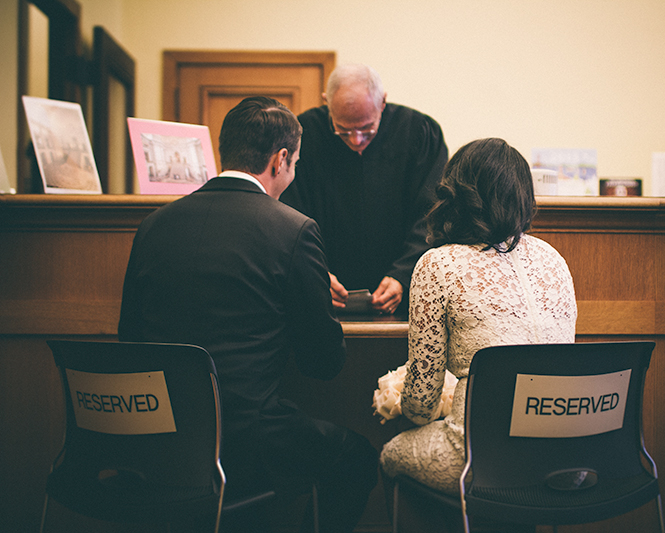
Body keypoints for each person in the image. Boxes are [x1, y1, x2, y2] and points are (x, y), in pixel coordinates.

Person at [118, 96, 378, 533]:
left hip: (153, 437)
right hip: (244, 442)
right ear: (280, 160)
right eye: (294, 163)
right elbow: (323, 364)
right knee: (356, 459)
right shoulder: (293, 229)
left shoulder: (155, 224)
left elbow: (130, 338)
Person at [380, 138, 578, 497]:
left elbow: (421, 406)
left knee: (391, 453)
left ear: (455, 195)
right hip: (565, 458)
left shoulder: (437, 264)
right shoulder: (555, 261)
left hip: (479, 457)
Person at [280, 63, 448, 316]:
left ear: (382, 102)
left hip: (404, 298)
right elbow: (288, 217)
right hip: (322, 299)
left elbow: (431, 214)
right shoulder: (303, 135)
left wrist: (403, 275)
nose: (356, 140)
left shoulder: (420, 132)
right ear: (327, 102)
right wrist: (314, 273)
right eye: (344, 130)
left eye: (367, 129)